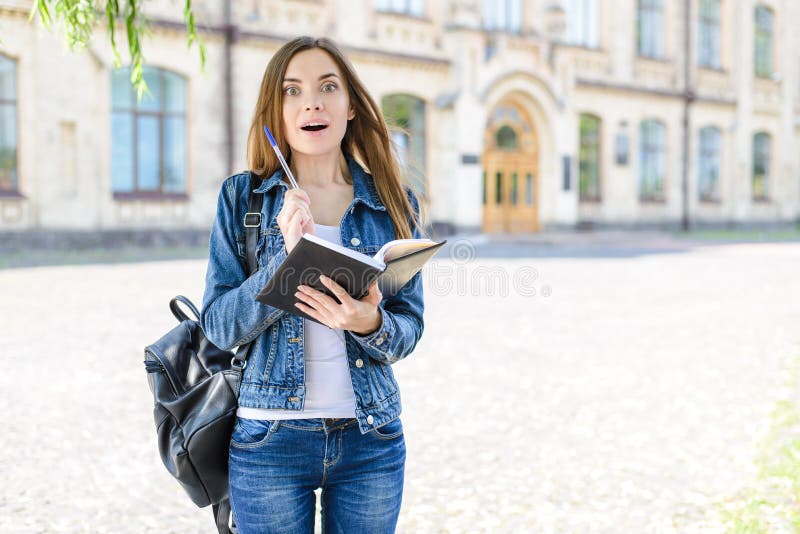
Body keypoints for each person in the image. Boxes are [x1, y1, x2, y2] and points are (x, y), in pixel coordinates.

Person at [200, 36, 426, 534]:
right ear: (276, 114)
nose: (312, 103)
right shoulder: (243, 199)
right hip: (269, 441)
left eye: (328, 87)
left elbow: (410, 324)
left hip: (372, 438)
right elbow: (217, 326)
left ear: (349, 106)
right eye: (292, 91)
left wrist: (370, 322)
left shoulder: (394, 201)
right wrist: (284, 256)